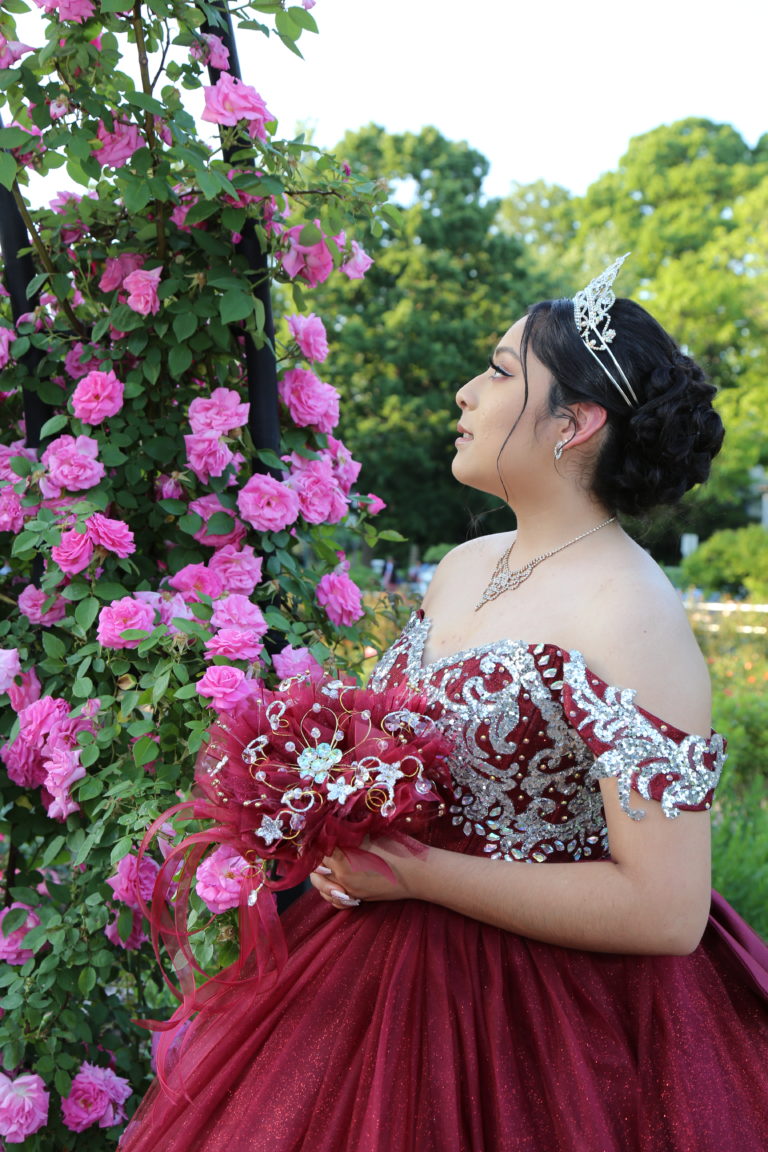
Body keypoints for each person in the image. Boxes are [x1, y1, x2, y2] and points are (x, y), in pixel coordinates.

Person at [120, 255, 768, 1151]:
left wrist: (419, 873)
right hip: (372, 975)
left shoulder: (633, 615)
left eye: (499, 372)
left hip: (550, 1023)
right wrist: (335, 816)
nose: (466, 391)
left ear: (575, 422)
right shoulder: (466, 566)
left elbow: (666, 911)